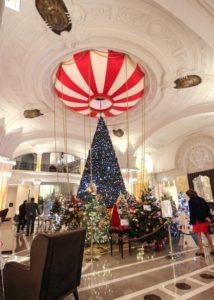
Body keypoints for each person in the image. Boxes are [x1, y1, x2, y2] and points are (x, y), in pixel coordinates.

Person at [186, 189, 214, 256]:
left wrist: (192, 221)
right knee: (207, 234)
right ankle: (213, 249)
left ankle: (201, 251)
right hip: (204, 219)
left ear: (189, 195)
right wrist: (207, 217)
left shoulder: (191, 201)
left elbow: (193, 212)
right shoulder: (201, 199)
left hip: (197, 220)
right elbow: (207, 208)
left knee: (198, 236)